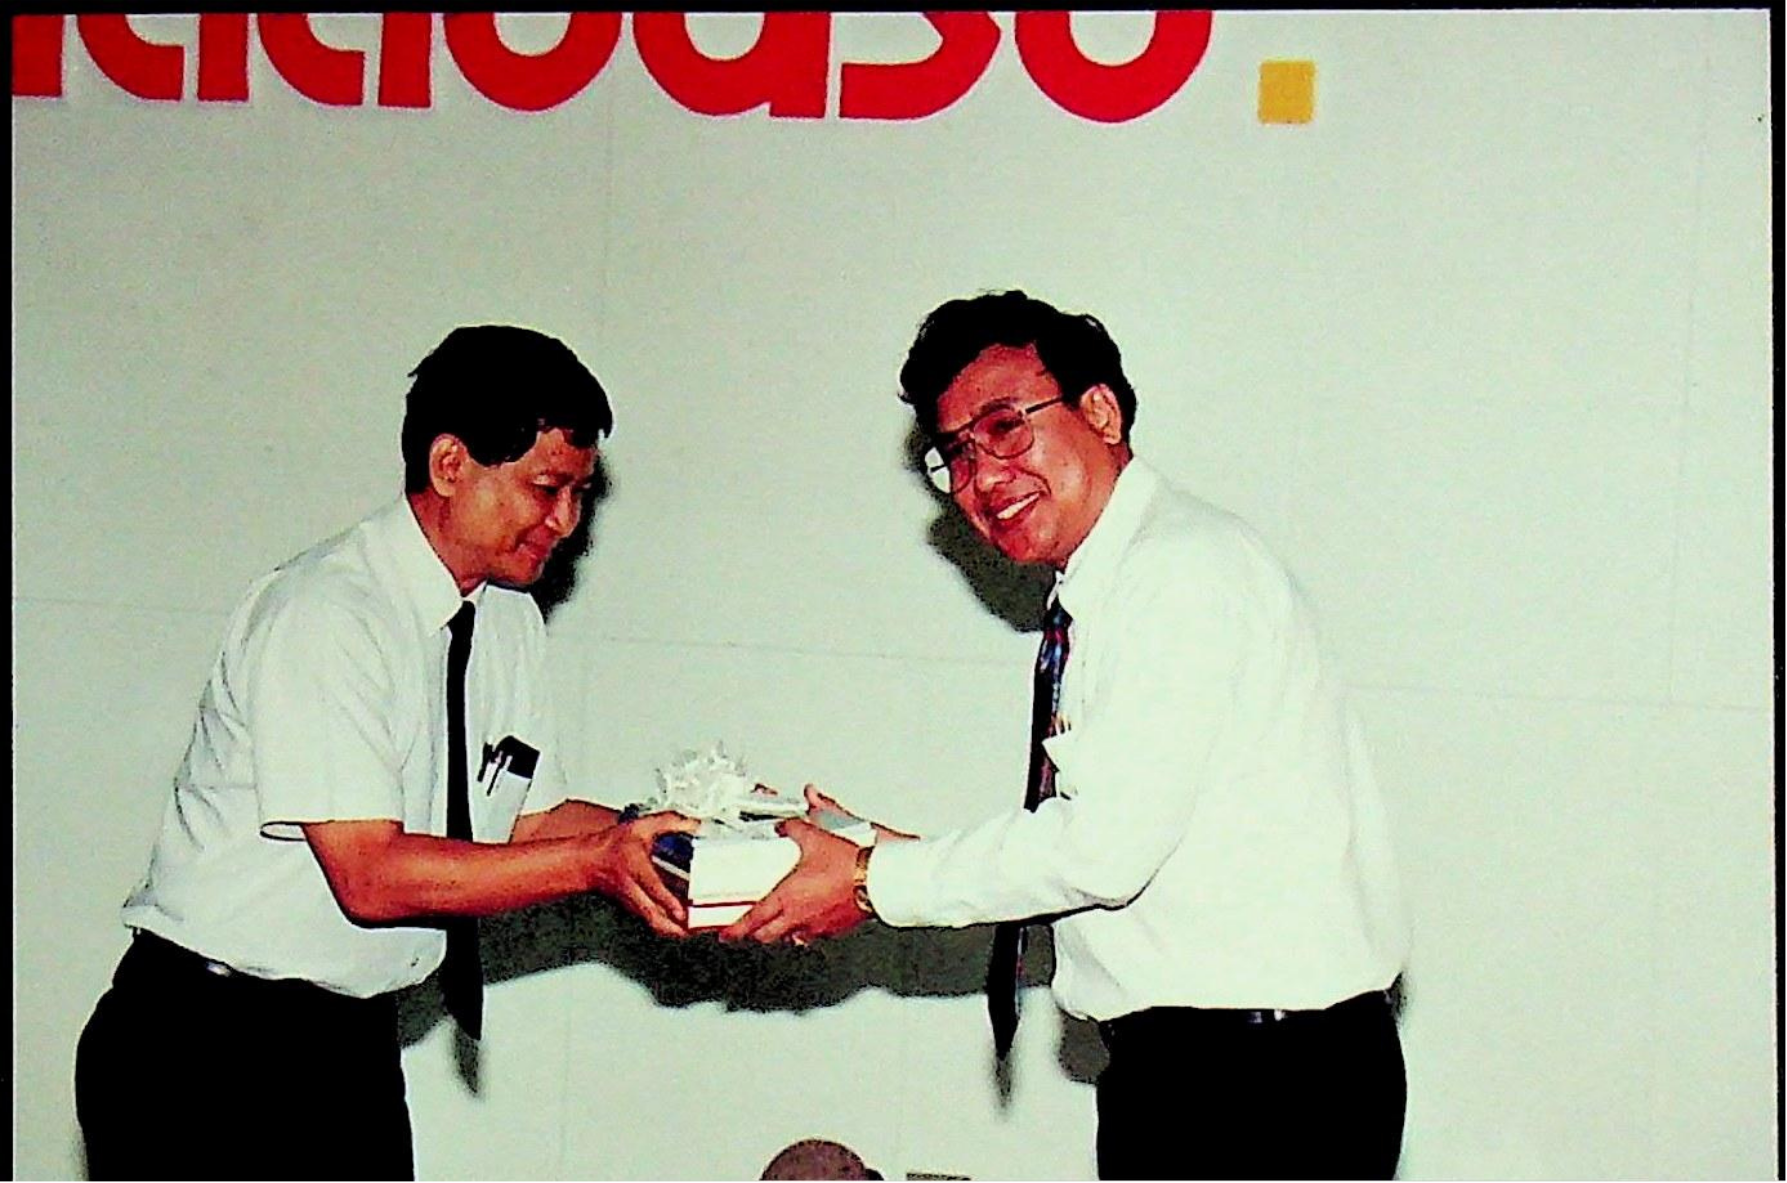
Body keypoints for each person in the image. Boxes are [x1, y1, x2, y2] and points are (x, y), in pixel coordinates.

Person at [722, 291, 1411, 1180]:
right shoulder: (1119, 582)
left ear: (1101, 411)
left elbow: (1101, 851)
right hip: (1212, 1074)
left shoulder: (1178, 575)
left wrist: (868, 881)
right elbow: (1120, 841)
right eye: (955, 453)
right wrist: (884, 855)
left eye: (1004, 428)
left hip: (1255, 1086)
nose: (982, 477)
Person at [73, 325, 697, 1181]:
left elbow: (527, 818)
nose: (565, 521)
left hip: (347, 1047)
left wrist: (680, 842)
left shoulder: (505, 616)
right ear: (450, 464)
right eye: (546, 488)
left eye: (580, 493)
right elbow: (370, 875)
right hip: (204, 1049)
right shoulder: (328, 613)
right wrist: (598, 863)